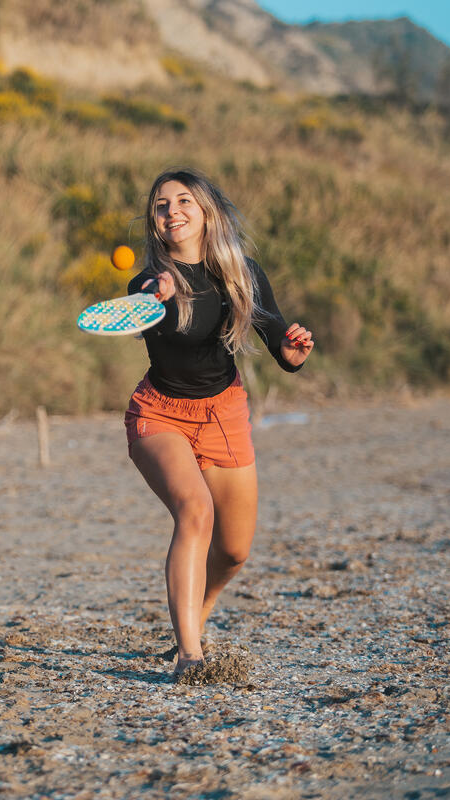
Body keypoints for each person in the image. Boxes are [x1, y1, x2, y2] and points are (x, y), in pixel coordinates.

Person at [124, 168, 314, 678]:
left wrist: (292, 352)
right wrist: (156, 290)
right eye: (161, 206)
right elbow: (148, 294)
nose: (172, 212)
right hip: (160, 413)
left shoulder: (240, 271)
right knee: (195, 512)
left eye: (183, 201)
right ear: (155, 220)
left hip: (223, 412)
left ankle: (194, 621)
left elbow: (274, 333)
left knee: (233, 550)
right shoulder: (148, 283)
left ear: (206, 211)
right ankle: (190, 655)